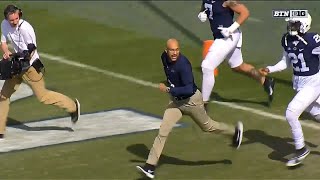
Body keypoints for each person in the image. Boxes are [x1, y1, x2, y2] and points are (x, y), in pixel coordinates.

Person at [135, 38, 243, 179]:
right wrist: (170, 85)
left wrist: (168, 89)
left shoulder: (183, 64)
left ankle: (234, 132)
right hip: (176, 103)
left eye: (177, 49)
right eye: (172, 50)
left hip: (192, 102)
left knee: (208, 127)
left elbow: (188, 89)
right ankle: (150, 167)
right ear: (166, 51)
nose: (174, 53)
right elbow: (171, 76)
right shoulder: (164, 58)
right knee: (163, 132)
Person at [0, 5, 80, 139]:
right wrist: (7, 52)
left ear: (19, 15)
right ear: (6, 19)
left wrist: (21, 58)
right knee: (3, 96)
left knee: (43, 97)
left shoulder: (26, 28)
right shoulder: (4, 24)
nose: (14, 22)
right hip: (16, 66)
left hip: (30, 67)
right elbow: (3, 41)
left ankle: (73, 107)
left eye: (16, 19)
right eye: (11, 20)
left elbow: (31, 50)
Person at [259, 13, 317, 167]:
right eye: (291, 24)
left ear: (304, 25)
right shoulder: (287, 39)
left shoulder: (312, 40)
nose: (291, 27)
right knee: (317, 113)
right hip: (300, 83)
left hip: (314, 82)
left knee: (291, 113)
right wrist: (270, 69)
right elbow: (285, 62)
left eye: (295, 24)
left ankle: (301, 149)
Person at [198, 0, 275, 109]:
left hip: (228, 37)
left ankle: (203, 104)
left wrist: (230, 29)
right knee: (238, 66)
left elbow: (245, 12)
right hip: (227, 36)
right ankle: (265, 80)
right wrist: (203, 13)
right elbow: (206, 6)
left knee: (207, 66)